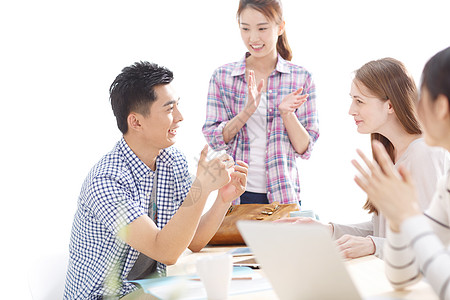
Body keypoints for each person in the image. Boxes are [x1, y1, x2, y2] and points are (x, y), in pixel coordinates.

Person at [63, 61, 249, 299]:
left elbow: (194, 240)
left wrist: (222, 199)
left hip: (149, 290)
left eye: (177, 106)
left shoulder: (171, 161)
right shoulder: (106, 181)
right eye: (169, 109)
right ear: (136, 122)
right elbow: (166, 251)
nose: (180, 117)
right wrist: (201, 187)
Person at [276, 58, 449, 259]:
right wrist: (328, 230)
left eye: (359, 101)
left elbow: (434, 241)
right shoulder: (388, 154)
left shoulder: (424, 154)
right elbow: (382, 231)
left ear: (390, 105)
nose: (351, 110)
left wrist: (373, 245)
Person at [353, 47, 450, 300]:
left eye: (422, 97)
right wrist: (398, 222)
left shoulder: (424, 153)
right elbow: (403, 275)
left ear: (439, 107)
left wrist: (406, 217)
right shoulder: (447, 185)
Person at [202, 0, 319, 205]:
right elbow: (214, 140)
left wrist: (287, 113)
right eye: (245, 28)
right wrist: (247, 111)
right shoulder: (223, 76)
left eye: (262, 28)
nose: (253, 38)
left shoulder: (301, 78)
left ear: (280, 27)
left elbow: (305, 149)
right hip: (235, 194)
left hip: (283, 194)